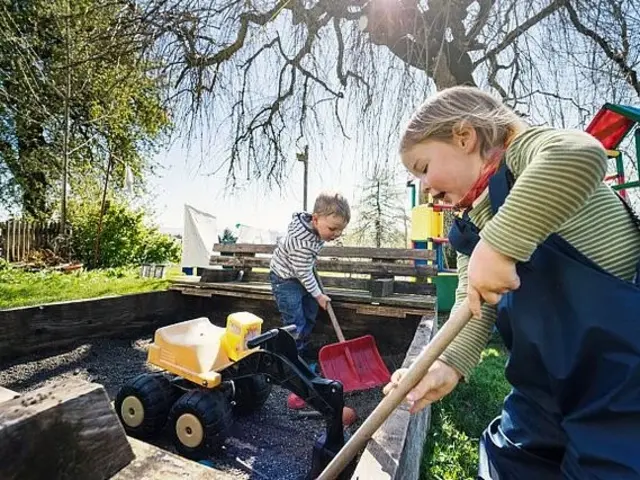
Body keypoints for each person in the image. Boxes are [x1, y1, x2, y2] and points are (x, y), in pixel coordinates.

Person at [384, 85, 640, 478]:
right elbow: (474, 304)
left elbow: (582, 153)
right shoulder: (472, 224)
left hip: (620, 380)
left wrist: (500, 246)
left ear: (464, 136)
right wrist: (446, 365)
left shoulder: (524, 153)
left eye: (423, 167)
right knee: (508, 461)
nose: (425, 187)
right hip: (541, 389)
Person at [270, 191, 351, 358]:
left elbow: (306, 264)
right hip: (285, 280)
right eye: (333, 229)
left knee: (310, 313)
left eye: (340, 230)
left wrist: (316, 294)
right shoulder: (301, 241)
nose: (336, 234)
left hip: (301, 274)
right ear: (315, 219)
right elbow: (303, 272)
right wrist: (319, 295)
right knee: (295, 321)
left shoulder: (317, 229)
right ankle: (293, 356)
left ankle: (302, 346)